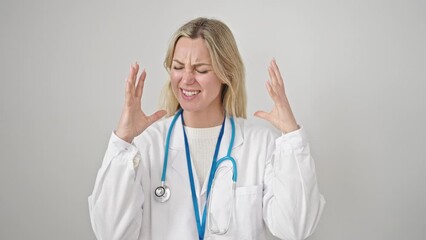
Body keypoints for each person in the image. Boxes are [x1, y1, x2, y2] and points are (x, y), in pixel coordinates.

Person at [88, 17, 325, 240]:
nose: (186, 79)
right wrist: (122, 140)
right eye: (178, 67)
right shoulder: (147, 144)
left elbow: (295, 228)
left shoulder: (260, 144)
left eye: (201, 70)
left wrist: (292, 137)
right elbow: (111, 233)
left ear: (227, 74)